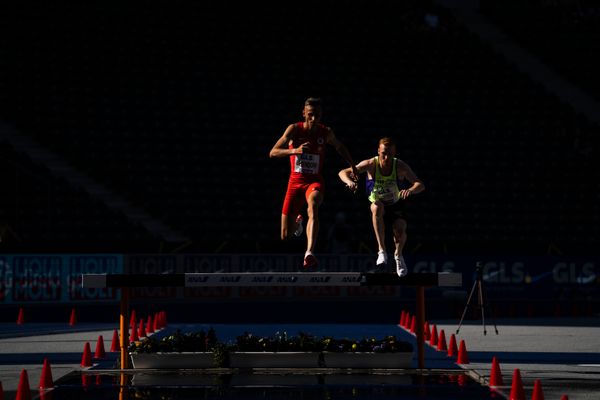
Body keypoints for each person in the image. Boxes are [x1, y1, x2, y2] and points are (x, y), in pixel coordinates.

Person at [269, 97, 357, 268]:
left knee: (314, 204)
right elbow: (273, 152)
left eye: (317, 115)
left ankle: (309, 252)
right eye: (310, 115)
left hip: (314, 182)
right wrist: (295, 150)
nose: (314, 119)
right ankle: (298, 223)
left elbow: (339, 147)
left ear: (321, 114)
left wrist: (352, 164)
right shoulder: (294, 129)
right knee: (285, 235)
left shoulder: (326, 132)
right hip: (294, 183)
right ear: (304, 113)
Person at [338, 137, 424, 276]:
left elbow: (420, 184)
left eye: (390, 154)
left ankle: (398, 256)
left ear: (394, 153)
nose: (386, 157)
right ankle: (382, 250)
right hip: (378, 204)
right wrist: (349, 182)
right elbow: (343, 172)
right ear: (378, 151)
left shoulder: (400, 166)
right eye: (384, 153)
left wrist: (411, 190)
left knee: (400, 232)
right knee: (377, 206)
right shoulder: (371, 164)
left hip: (396, 204)